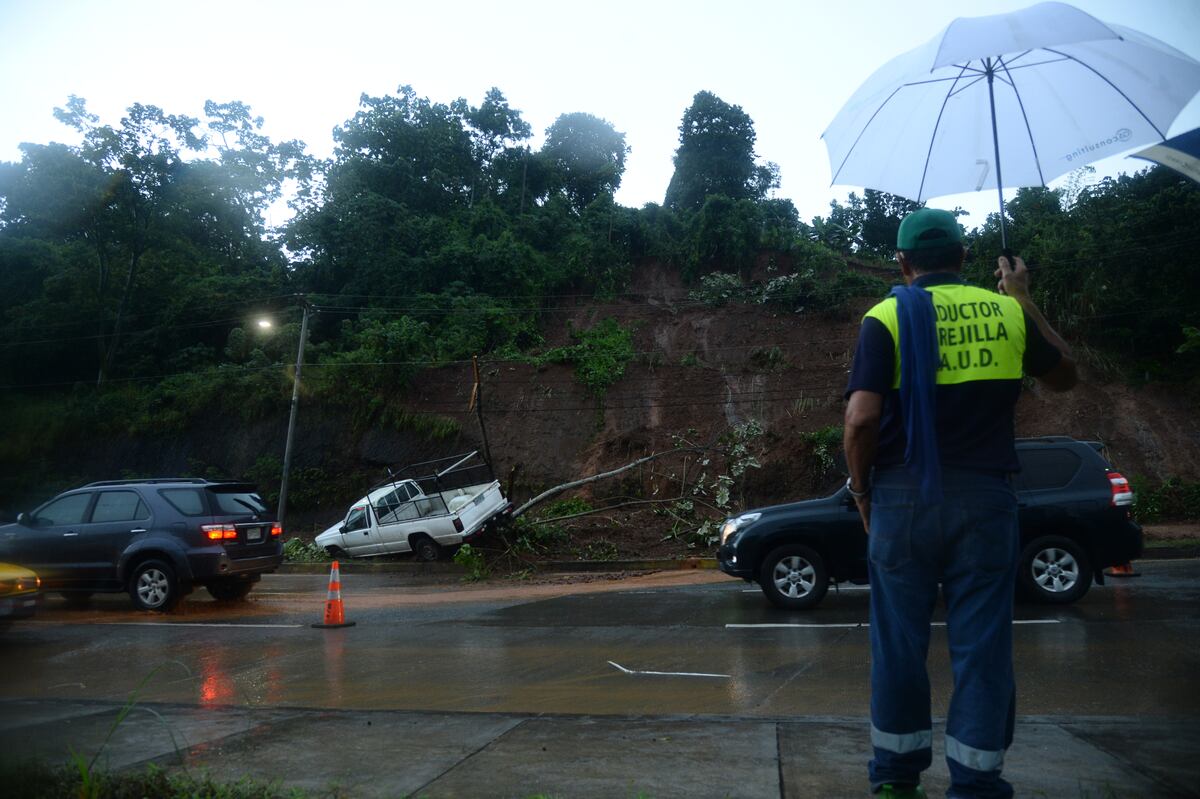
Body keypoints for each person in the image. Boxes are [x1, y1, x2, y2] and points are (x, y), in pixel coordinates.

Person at [842, 208, 1077, 799]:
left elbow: (861, 419)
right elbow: (1067, 377)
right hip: (986, 498)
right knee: (983, 646)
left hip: (902, 497)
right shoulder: (1006, 312)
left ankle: (896, 778)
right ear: (965, 258)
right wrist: (1022, 297)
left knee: (898, 644)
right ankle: (975, 782)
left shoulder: (886, 316)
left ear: (903, 262)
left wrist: (862, 490)